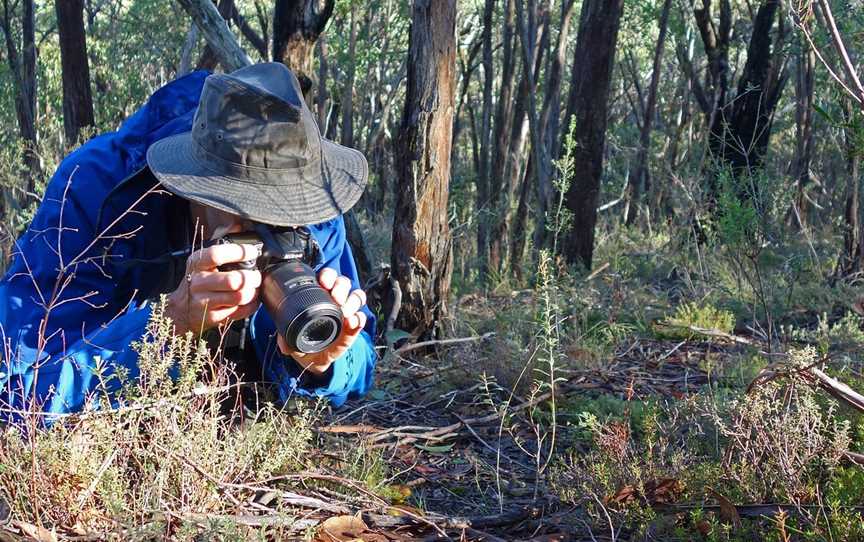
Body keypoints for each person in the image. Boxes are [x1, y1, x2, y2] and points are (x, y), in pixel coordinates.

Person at [0, 63, 377, 419]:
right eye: (246, 208)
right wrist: (165, 325)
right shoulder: (96, 193)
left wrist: (326, 360)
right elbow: (17, 396)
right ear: (194, 184)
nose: (268, 230)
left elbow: (362, 365)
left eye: (284, 213)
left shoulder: (316, 208)